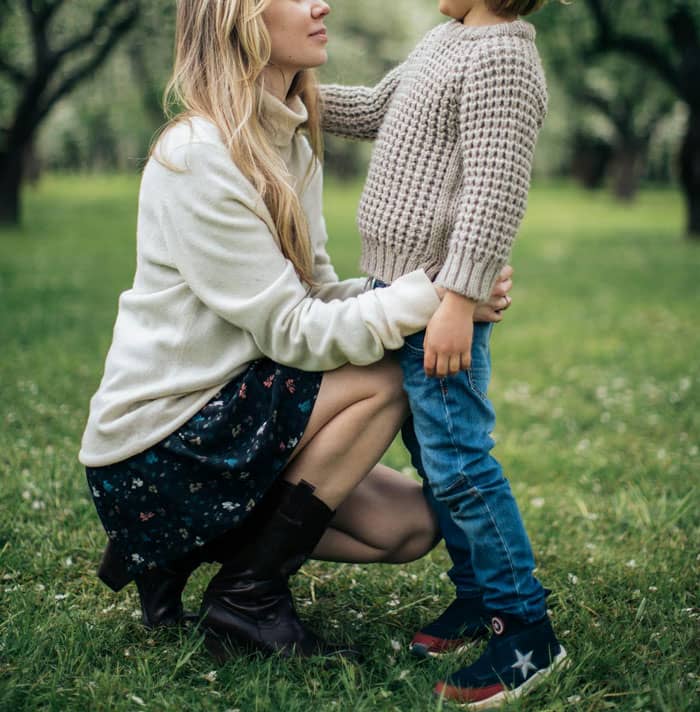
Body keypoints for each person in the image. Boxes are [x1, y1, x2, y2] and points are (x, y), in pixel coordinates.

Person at [79, 0, 513, 662]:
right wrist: (431, 299)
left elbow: (314, 293)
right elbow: (294, 331)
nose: (321, 4)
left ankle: (180, 547)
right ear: (239, 19)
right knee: (386, 371)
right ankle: (247, 597)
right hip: (158, 443)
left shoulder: (287, 142)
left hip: (233, 411)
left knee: (408, 527)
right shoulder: (198, 156)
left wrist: (437, 291)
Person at [320, 0, 568, 705]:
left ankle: (526, 628)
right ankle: (477, 597)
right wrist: (285, 93)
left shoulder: (504, 56)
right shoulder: (447, 40)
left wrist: (459, 300)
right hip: (402, 294)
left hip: (437, 302)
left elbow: (494, 190)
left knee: (460, 461)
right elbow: (375, 108)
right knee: (434, 457)